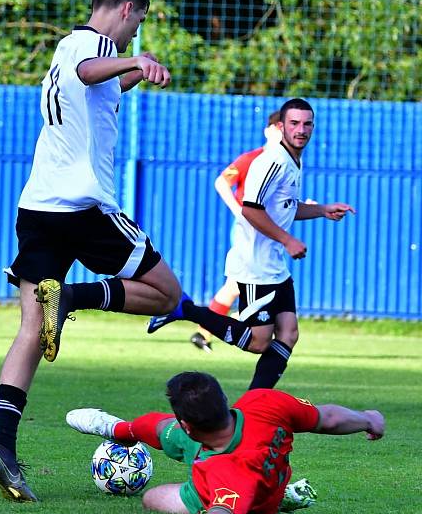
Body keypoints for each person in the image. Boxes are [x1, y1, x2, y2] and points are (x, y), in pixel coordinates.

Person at [0, 0, 182, 503]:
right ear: (124, 10)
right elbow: (92, 68)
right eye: (138, 23)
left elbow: (101, 80)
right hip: (82, 209)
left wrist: (139, 71)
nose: (137, 33)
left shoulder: (74, 53)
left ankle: (1, 446)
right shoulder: (83, 44)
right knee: (167, 293)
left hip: (38, 209)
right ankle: (72, 298)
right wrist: (135, 58)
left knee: (28, 331)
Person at [148, 99, 355, 390]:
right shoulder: (273, 160)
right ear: (280, 126)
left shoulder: (293, 159)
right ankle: (184, 309)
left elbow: (285, 207)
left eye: (307, 124)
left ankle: (256, 403)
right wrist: (288, 239)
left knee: (289, 333)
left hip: (274, 263)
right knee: (259, 341)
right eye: (294, 123)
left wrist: (322, 210)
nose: (302, 130)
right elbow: (250, 209)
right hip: (255, 264)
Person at [66, 371, 385, 514]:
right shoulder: (263, 402)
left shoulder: (226, 473)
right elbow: (326, 417)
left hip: (241, 497)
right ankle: (116, 429)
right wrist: (368, 419)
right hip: (260, 472)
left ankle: (276, 500)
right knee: (163, 430)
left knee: (152, 497)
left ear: (190, 425)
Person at [189, 112, 282, 353]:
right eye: (279, 128)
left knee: (234, 287)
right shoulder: (252, 159)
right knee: (243, 286)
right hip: (249, 233)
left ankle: (203, 331)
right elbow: (221, 181)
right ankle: (207, 326)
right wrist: (238, 210)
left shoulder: (284, 163)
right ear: (268, 130)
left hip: (266, 236)